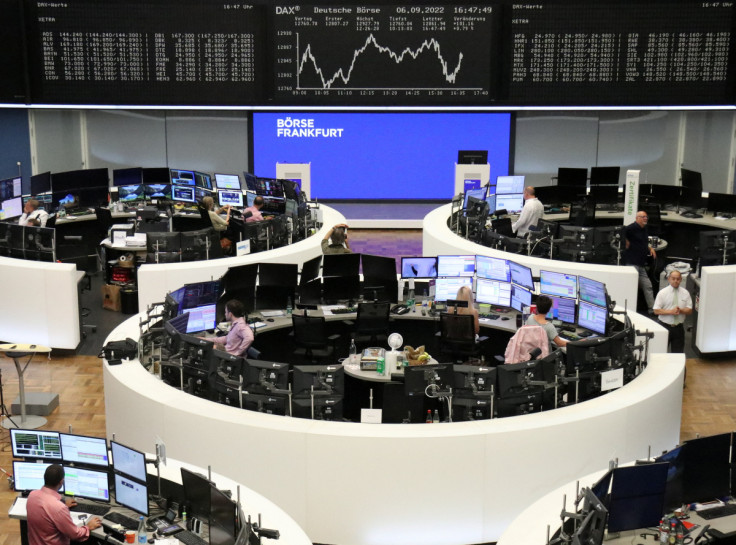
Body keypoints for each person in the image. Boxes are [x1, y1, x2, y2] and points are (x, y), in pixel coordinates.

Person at [26, 464, 101, 545]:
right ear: (61, 481)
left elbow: (46, 508)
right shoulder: (59, 508)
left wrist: (62, 504)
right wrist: (88, 527)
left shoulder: (32, 495)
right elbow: (75, 534)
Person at [624, 210, 656, 313]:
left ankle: (653, 309)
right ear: (637, 218)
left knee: (648, 286)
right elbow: (620, 233)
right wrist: (626, 241)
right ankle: (629, 309)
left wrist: (650, 248)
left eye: (646, 217)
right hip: (632, 264)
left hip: (641, 264)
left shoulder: (644, 229)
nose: (645, 218)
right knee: (631, 287)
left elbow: (643, 242)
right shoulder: (631, 228)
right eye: (643, 217)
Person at [653, 270, 692, 353]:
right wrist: (671, 312)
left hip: (678, 328)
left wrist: (680, 310)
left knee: (677, 354)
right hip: (664, 326)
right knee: (661, 352)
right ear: (669, 279)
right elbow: (656, 310)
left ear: (681, 280)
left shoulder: (685, 293)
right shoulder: (662, 293)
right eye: (673, 278)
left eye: (678, 279)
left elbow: (689, 310)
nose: (675, 281)